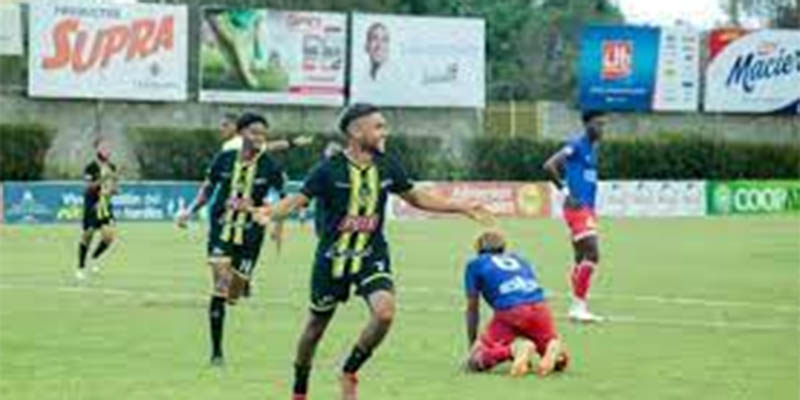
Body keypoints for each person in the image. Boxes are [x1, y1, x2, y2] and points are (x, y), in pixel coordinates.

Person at [262, 103, 493, 400]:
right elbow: (297, 201)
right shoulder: (328, 170)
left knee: (384, 313)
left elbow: (416, 197)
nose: (385, 132)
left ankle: (349, 370)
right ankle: (299, 389)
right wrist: (267, 213)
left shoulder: (387, 165)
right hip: (332, 260)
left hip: (371, 254)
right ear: (356, 132)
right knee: (314, 329)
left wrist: (461, 207)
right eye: (378, 126)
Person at [176, 112, 285, 366]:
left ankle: (243, 282)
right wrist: (190, 211)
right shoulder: (224, 159)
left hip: (250, 235)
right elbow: (208, 188)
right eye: (254, 132)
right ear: (242, 133)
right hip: (221, 230)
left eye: (263, 134)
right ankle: (216, 353)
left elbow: (284, 199)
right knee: (221, 284)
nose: (259, 138)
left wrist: (270, 219)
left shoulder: (269, 165)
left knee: (233, 295)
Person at [463, 230, 569, 377]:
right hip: (539, 307)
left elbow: (473, 307)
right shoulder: (520, 260)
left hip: (511, 312)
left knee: (474, 361)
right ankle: (553, 348)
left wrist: (472, 344)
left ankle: (514, 350)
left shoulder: (475, 264)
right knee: (558, 362)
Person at [542, 110, 608, 323]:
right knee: (592, 254)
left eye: (603, 125)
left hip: (587, 208)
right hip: (578, 208)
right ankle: (578, 307)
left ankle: (579, 306)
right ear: (587, 125)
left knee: (581, 258)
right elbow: (550, 165)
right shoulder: (577, 145)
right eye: (597, 124)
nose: (601, 129)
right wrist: (566, 192)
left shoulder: (592, 149)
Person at [76, 138, 118, 281]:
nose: (107, 150)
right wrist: (102, 179)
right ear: (97, 150)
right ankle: (81, 267)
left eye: (108, 148)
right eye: (103, 147)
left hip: (105, 205)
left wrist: (113, 189)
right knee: (88, 235)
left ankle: (94, 258)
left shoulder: (112, 167)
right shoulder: (91, 167)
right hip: (92, 204)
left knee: (109, 237)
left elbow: (114, 187)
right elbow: (88, 187)